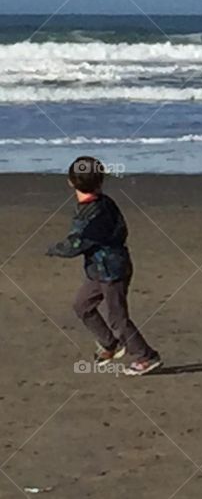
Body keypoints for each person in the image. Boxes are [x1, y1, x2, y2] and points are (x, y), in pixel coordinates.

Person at [46, 156, 162, 376]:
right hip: (97, 270)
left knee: (118, 317)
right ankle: (109, 344)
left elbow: (76, 244)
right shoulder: (100, 203)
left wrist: (54, 249)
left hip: (113, 271)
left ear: (71, 182)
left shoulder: (96, 211)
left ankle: (145, 356)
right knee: (82, 305)